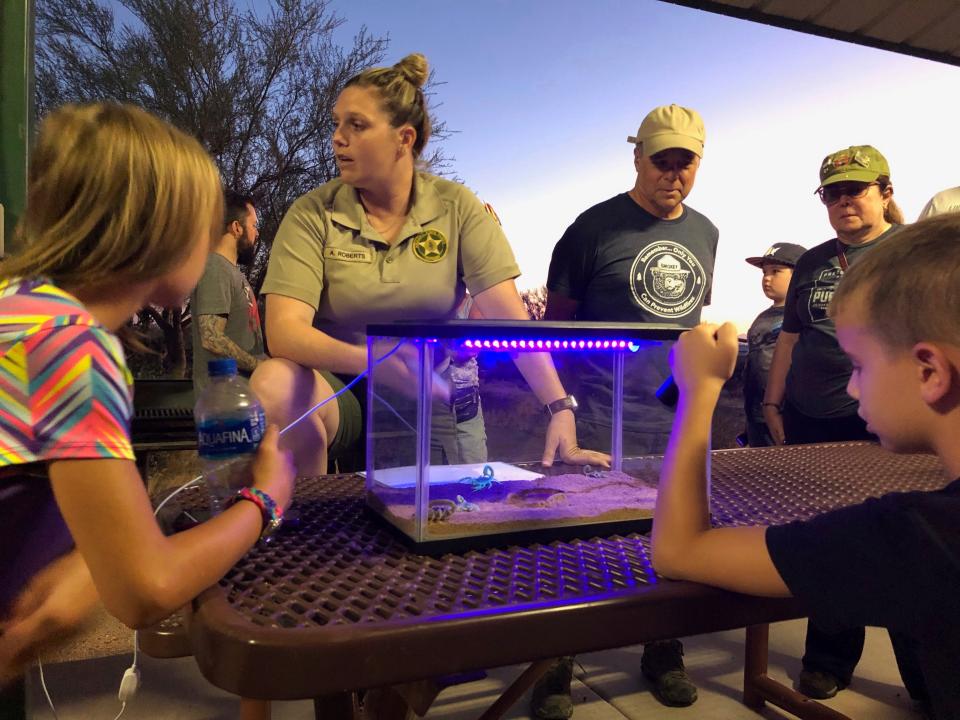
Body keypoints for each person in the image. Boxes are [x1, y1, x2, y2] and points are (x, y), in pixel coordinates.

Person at [0, 104, 295, 713]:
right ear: (157, 232)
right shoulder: (70, 346)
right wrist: (266, 501)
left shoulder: (22, 309)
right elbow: (144, 590)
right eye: (203, 223)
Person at [652, 214, 960, 720]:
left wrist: (698, 393)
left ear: (929, 371)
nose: (853, 387)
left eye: (858, 364)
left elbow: (679, 550)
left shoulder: (921, 537)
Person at [251, 53, 608, 478]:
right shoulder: (313, 213)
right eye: (336, 123)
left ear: (404, 138)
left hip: (433, 388)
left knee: (462, 506)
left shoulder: (457, 208)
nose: (337, 138)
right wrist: (372, 360)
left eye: (357, 125)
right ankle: (307, 519)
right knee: (273, 383)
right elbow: (284, 332)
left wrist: (559, 406)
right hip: (340, 383)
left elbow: (507, 317)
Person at [538, 104, 718, 714]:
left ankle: (662, 653)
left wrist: (688, 399)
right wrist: (559, 408)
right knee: (569, 542)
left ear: (698, 161)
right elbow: (552, 329)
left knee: (666, 542)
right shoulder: (592, 229)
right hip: (592, 415)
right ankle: (553, 668)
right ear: (636, 157)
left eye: (683, 161)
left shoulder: (706, 233)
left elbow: (687, 329)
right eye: (660, 160)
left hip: (670, 417)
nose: (672, 174)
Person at [761, 145, 917, 701]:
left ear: (885, 192)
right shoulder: (813, 261)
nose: (844, 200)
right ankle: (828, 659)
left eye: (856, 189)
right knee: (829, 538)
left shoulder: (911, 250)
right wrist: (773, 403)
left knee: (905, 537)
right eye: (833, 192)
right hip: (812, 419)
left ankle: (925, 672)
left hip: (888, 422)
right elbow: (790, 335)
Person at [191, 190, 266, 393]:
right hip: (225, 406)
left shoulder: (232, 273)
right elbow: (211, 336)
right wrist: (261, 367)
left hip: (243, 398)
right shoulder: (214, 267)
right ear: (236, 227)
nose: (256, 233)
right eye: (253, 225)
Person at [741, 242, 805, 447]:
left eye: (776, 271)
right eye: (764, 272)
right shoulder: (764, 316)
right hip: (755, 412)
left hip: (784, 412)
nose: (767, 278)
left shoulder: (802, 316)